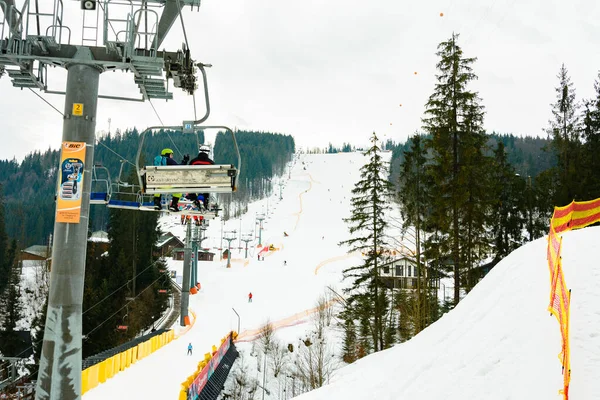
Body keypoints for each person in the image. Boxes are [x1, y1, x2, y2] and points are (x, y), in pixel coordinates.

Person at [185, 145, 214, 210]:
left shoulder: (193, 161)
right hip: (205, 184)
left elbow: (188, 173)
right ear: (207, 153)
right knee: (207, 186)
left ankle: (195, 200)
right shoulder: (210, 162)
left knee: (190, 186)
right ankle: (205, 202)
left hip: (194, 183)